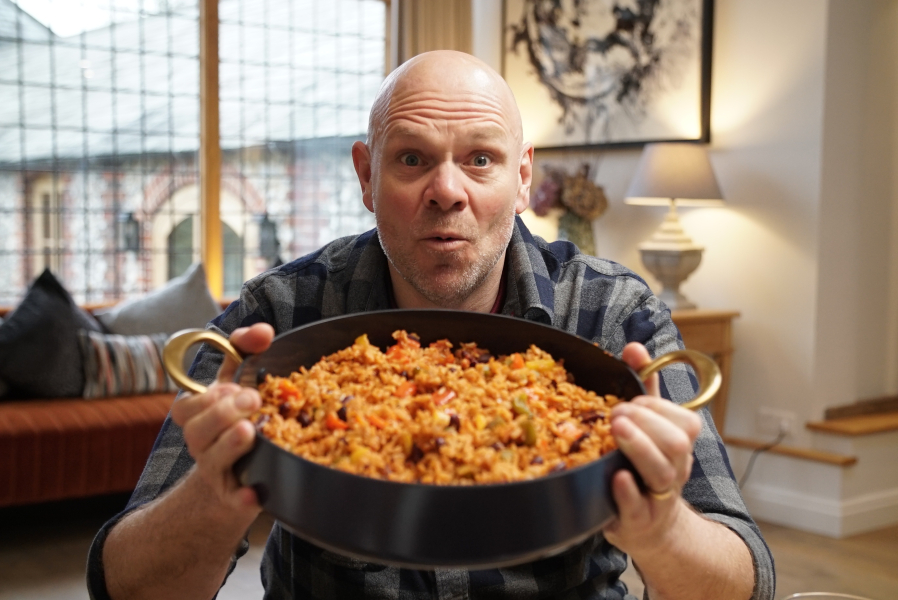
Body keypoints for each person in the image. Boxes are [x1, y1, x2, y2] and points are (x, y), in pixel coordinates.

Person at [87, 50, 774, 600]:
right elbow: (124, 587)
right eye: (412, 158)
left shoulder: (614, 313)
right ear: (366, 175)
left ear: (523, 180)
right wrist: (214, 494)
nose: (447, 191)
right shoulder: (277, 316)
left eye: (481, 159)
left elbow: (747, 583)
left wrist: (662, 528)